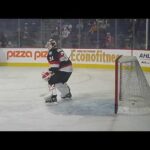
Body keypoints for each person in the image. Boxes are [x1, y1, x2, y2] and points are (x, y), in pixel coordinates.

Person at [42, 39, 73, 103]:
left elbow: (55, 66)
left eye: (49, 44)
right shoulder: (59, 49)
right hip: (68, 70)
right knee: (59, 81)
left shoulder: (52, 52)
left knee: (50, 79)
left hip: (63, 70)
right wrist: (51, 71)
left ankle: (52, 97)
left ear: (52, 45)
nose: (47, 46)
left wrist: (49, 72)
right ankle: (66, 93)